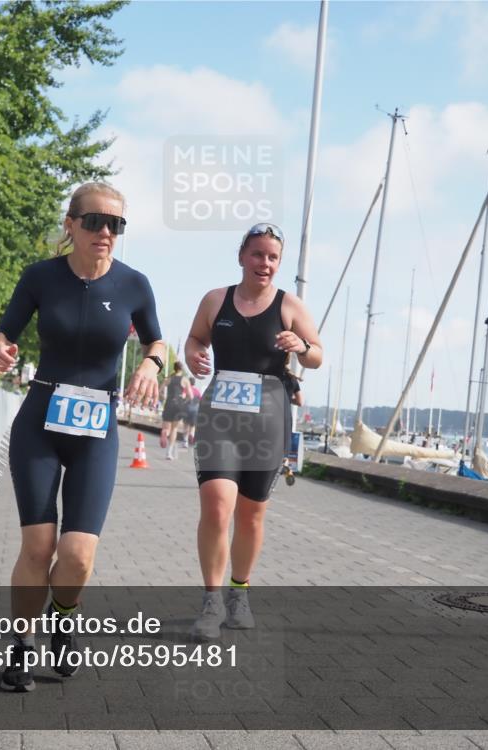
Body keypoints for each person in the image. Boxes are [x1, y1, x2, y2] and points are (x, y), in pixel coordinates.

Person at [0, 182, 165, 691]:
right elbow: (6, 331)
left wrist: (152, 364)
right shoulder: (41, 276)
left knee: (78, 554)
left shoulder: (134, 284)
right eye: (94, 222)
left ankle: (64, 620)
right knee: (39, 547)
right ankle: (21, 645)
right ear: (71, 225)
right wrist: (0, 347)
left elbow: (157, 338)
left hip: (96, 429)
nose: (106, 232)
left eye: (116, 224)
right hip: (40, 421)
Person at [184, 222, 323, 640]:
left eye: (272, 257)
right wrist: (194, 356)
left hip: (267, 416)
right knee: (216, 504)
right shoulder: (215, 299)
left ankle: (238, 593)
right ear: (242, 256)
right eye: (258, 254)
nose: (265, 263)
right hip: (220, 416)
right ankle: (210, 601)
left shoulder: (290, 306)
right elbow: (194, 339)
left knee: (251, 514)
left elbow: (317, 355)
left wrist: (301, 348)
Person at [161, 361, 191, 459]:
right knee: (174, 429)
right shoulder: (185, 380)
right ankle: (169, 453)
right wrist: (184, 399)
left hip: (169, 403)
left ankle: (165, 433)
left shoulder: (168, 378)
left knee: (166, 427)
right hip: (179, 405)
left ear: (174, 368)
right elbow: (191, 396)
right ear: (181, 369)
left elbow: (159, 390)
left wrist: (163, 398)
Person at [183, 378, 202, 447]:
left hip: (187, 409)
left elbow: (183, 397)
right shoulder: (197, 391)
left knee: (186, 425)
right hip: (195, 410)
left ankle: (185, 442)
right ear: (194, 383)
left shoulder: (186, 389)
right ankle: (192, 435)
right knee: (192, 426)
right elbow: (200, 400)